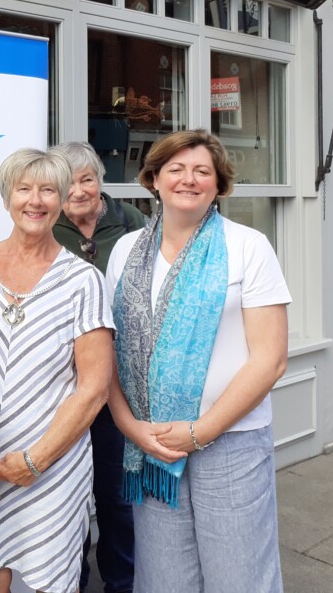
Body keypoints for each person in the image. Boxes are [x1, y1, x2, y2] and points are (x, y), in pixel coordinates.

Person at [105, 130, 290, 592]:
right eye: (176, 169)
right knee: (164, 579)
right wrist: (130, 427)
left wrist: (199, 432)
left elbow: (270, 360)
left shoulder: (248, 246)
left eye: (202, 171)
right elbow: (110, 351)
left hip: (229, 443)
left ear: (219, 185)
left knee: (239, 577)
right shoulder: (126, 251)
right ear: (153, 179)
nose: (189, 179)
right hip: (152, 445)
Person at [0, 148, 114, 593]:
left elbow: (94, 389)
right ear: (7, 198)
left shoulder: (83, 280)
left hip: (54, 467)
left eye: (48, 190)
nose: (35, 200)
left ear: (61, 200)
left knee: (53, 584)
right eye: (24, 189)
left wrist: (35, 461)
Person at [51, 141, 146, 593]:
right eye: (67, 183)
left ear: (99, 180)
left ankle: (121, 582)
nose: (78, 191)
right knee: (67, 498)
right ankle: (74, 581)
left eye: (86, 180)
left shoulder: (131, 222)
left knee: (117, 497)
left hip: (118, 384)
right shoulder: (46, 226)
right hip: (62, 385)